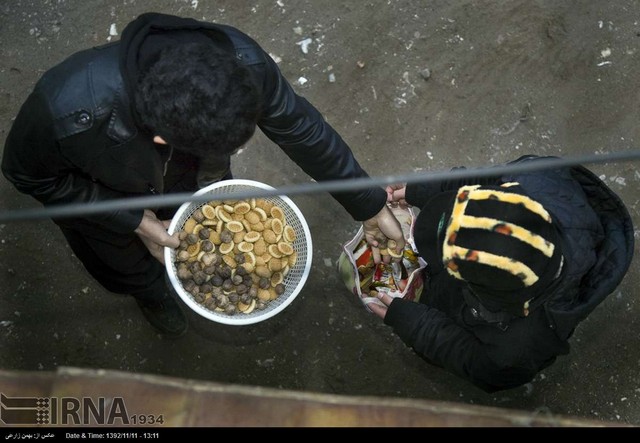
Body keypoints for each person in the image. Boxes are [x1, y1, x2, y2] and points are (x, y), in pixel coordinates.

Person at [1, 12, 404, 338]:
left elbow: (299, 127)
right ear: (161, 138)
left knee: (191, 229)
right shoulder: (67, 110)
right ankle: (149, 292)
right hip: (101, 192)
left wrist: (368, 204)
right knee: (122, 260)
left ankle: (159, 268)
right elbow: (28, 176)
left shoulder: (238, 63)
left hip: (182, 180)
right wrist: (132, 218)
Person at [369, 154, 634, 392]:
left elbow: (476, 363)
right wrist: (428, 189)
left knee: (441, 301)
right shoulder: (536, 175)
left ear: (483, 291)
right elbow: (488, 180)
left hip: (484, 315)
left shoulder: (517, 351)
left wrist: (418, 326)